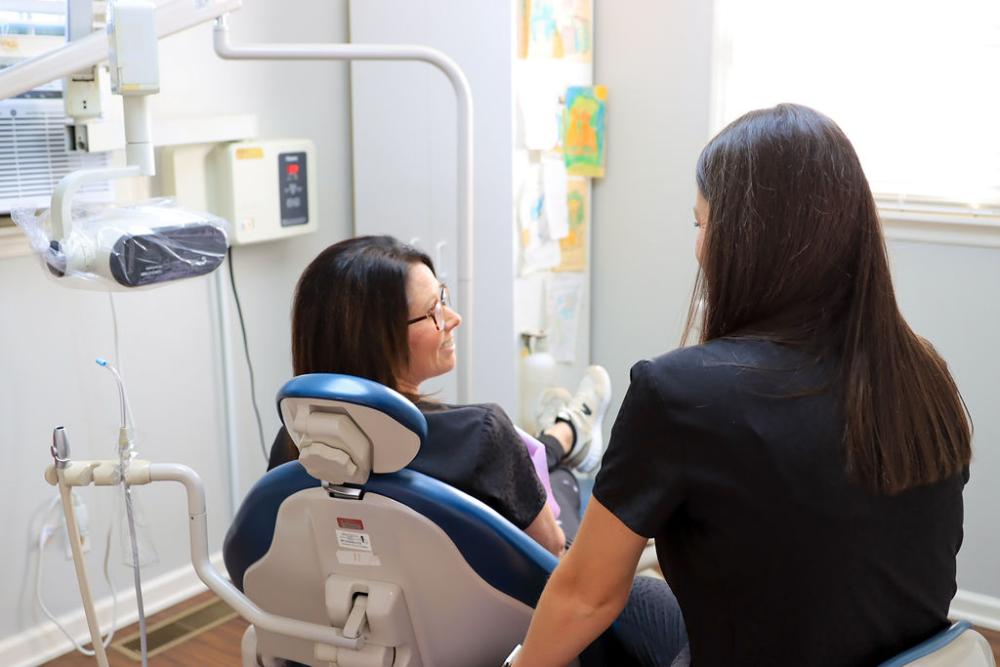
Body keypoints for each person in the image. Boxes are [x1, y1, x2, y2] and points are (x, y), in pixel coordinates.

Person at [514, 104, 971, 666]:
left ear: (742, 239)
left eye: (701, 223)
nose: (699, 245)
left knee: (596, 595)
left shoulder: (679, 393)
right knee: (641, 595)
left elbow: (585, 597)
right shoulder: (924, 374)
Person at [267, 234, 612, 555]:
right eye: (434, 310)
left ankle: (561, 433)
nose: (453, 318)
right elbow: (550, 550)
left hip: (361, 610)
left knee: (525, 462)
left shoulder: (298, 441)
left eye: (443, 298)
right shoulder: (480, 434)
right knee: (561, 478)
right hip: (487, 615)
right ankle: (566, 437)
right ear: (374, 340)